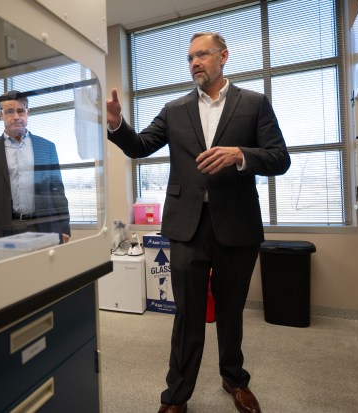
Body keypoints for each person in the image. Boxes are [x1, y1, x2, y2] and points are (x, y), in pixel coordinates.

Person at [106, 32, 290, 413]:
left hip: (237, 225)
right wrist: (117, 125)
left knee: (230, 310)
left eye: (202, 55)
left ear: (223, 56)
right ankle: (176, 395)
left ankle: (234, 379)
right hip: (187, 226)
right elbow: (140, 146)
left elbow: (279, 158)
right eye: (189, 57)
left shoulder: (254, 104)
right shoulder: (174, 109)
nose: (194, 63)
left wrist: (241, 154)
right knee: (187, 314)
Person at [0, 90, 70, 251]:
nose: (16, 116)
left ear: (28, 113)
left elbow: (57, 191)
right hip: (3, 230)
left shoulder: (47, 148)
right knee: (8, 275)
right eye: (9, 111)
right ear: (1, 115)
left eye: (20, 111)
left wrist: (64, 227)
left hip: (44, 228)